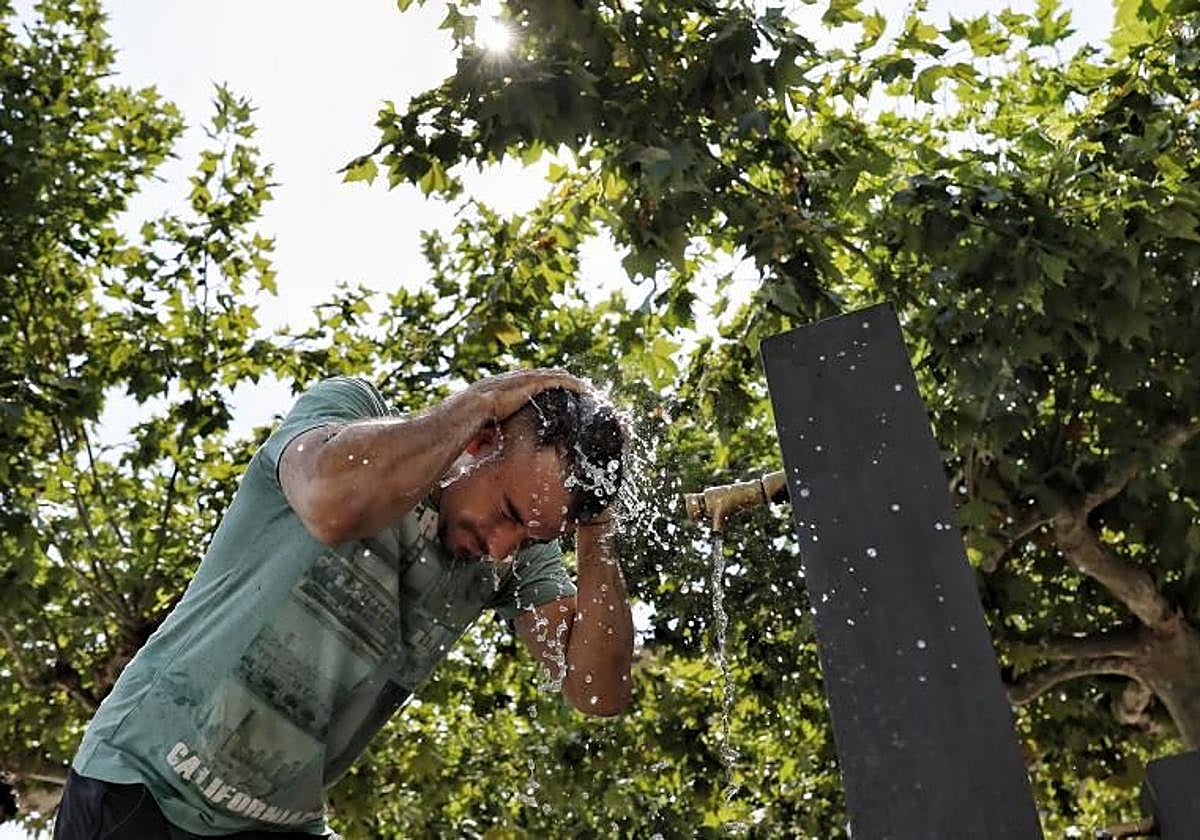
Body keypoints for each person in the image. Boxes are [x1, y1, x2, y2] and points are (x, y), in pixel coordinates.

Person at [54, 369, 633, 839]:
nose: (503, 547)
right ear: (480, 440)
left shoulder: (515, 562)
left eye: (532, 536)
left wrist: (596, 532)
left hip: (278, 824)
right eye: (507, 513)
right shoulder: (348, 415)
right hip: (143, 789)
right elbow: (331, 504)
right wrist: (483, 401)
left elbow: (596, 691)